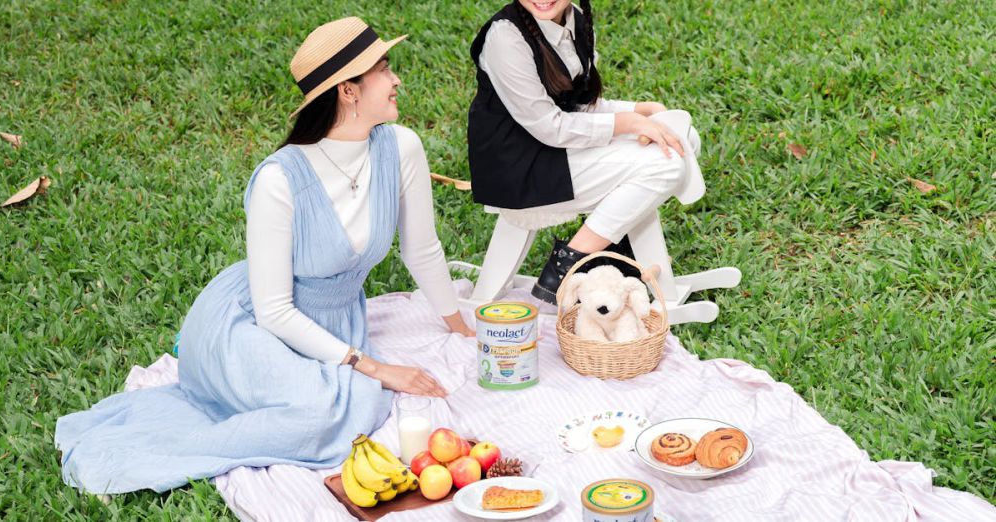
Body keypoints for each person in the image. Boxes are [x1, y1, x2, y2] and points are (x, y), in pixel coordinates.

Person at [55, 17, 472, 494]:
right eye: (383, 69)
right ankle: (140, 446)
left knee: (356, 406)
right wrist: (373, 366)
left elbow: (422, 248)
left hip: (336, 323)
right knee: (326, 413)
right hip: (250, 324)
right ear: (348, 91)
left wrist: (458, 326)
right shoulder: (279, 180)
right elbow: (274, 310)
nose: (396, 79)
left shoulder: (401, 147)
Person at [468, 0, 707, 304]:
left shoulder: (575, 20)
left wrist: (640, 111)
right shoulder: (506, 37)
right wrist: (628, 122)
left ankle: (612, 254)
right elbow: (550, 125)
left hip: (555, 149)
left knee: (681, 137)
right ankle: (566, 268)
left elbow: (576, 105)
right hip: (520, 167)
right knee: (667, 163)